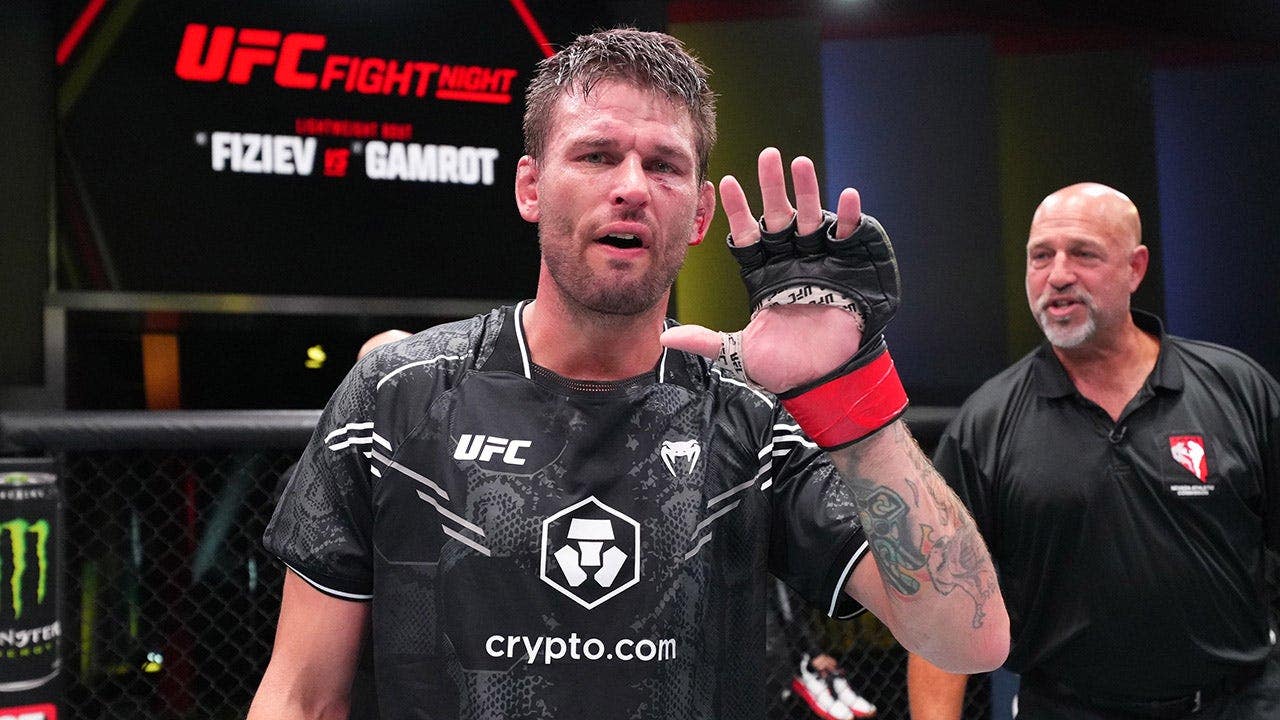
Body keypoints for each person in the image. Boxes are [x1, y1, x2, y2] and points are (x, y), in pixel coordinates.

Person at [249, 28, 1007, 720]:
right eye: (596, 155)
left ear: (701, 214)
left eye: (664, 165)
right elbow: (302, 697)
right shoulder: (396, 399)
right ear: (530, 187)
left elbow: (970, 637)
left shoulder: (753, 419)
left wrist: (849, 396)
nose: (633, 187)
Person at [907, 183, 1280, 720]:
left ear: (1135, 268)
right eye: (1041, 256)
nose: (1058, 275)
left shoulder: (1238, 389)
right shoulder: (985, 424)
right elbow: (942, 604)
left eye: (1083, 253)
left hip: (1239, 704)